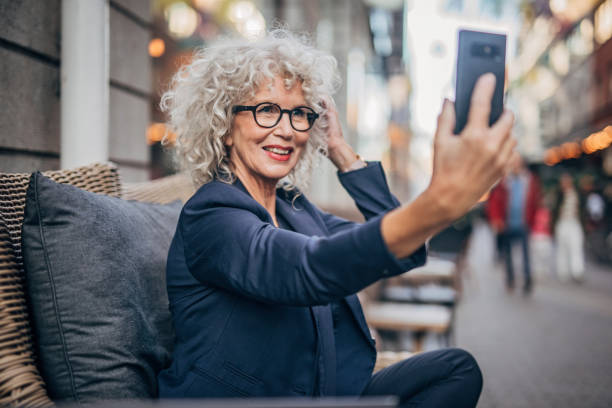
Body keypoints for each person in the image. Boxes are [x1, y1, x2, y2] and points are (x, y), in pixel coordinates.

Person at [157, 30, 516, 407]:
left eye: (299, 114)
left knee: (456, 369)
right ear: (225, 127)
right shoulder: (211, 214)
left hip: (327, 391)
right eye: (266, 110)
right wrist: (437, 202)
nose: (285, 129)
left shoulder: (294, 208)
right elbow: (307, 269)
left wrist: (342, 153)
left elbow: (405, 250)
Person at [486, 157, 541, 293]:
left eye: (517, 164)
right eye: (513, 164)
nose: (515, 166)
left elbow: (536, 201)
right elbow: (494, 201)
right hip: (507, 224)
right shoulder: (505, 181)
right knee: (508, 255)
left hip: (523, 223)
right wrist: (497, 219)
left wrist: (533, 221)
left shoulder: (530, 180)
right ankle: (510, 280)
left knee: (525, 254)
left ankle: (528, 280)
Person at [552, 172, 586, 282]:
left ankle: (577, 271)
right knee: (562, 248)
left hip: (574, 223)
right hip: (563, 223)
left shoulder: (577, 193)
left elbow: (583, 209)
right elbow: (554, 210)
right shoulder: (559, 194)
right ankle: (563, 272)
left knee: (576, 247)